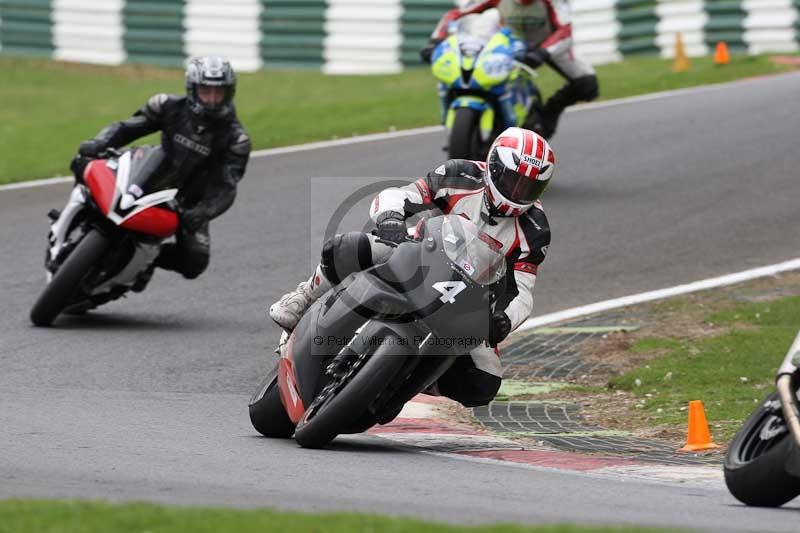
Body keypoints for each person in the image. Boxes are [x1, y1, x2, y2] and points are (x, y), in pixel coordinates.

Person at [269, 127, 553, 407]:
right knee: (346, 248)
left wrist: (504, 319)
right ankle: (304, 297)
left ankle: (413, 378)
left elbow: (522, 291)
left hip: (466, 301)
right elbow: (402, 194)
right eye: (513, 181)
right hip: (416, 258)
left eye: (528, 187)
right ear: (493, 166)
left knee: (483, 382)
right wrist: (391, 218)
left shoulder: (535, 229)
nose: (518, 192)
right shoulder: (460, 174)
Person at [66, 56, 251, 287]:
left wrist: (202, 212)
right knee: (84, 161)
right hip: (146, 171)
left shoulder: (236, 139)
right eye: (206, 91)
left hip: (187, 201)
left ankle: (146, 261)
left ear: (229, 93)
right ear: (193, 90)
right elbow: (127, 128)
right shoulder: (167, 105)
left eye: (218, 93)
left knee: (195, 262)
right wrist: (99, 142)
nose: (212, 99)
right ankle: (74, 215)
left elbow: (226, 186)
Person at [421, 0, 599, 139]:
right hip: (507, 44)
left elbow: (565, 31)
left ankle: (545, 118)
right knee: (485, 26)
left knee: (588, 84)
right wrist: (436, 40)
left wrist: (543, 52)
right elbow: (456, 14)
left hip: (547, 44)